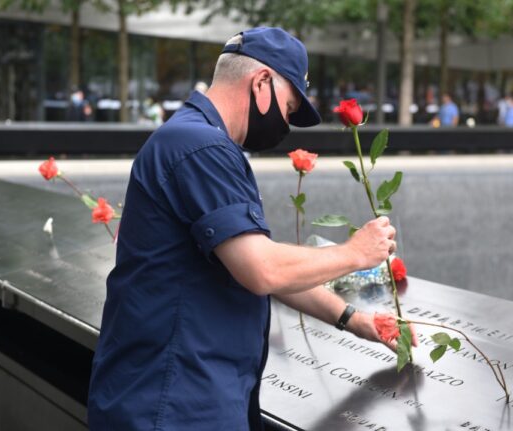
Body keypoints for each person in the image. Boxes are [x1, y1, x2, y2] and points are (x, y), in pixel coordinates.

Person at [88, 27, 414, 431]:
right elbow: (263, 270)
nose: (288, 122)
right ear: (261, 82)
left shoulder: (194, 140)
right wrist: (355, 253)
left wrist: (354, 319)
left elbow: (262, 265)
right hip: (173, 404)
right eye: (290, 107)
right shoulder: (201, 147)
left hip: (181, 396)